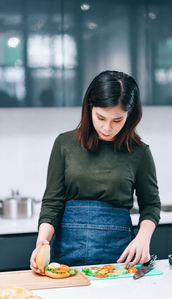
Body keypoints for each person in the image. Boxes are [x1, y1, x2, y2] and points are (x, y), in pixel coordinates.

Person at [30, 70, 161, 274]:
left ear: (130, 114)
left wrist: (143, 238)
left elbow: (151, 205)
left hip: (119, 257)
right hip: (66, 253)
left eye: (117, 120)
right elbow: (52, 202)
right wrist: (42, 242)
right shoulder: (64, 144)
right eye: (100, 117)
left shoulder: (140, 153)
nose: (107, 127)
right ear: (89, 108)